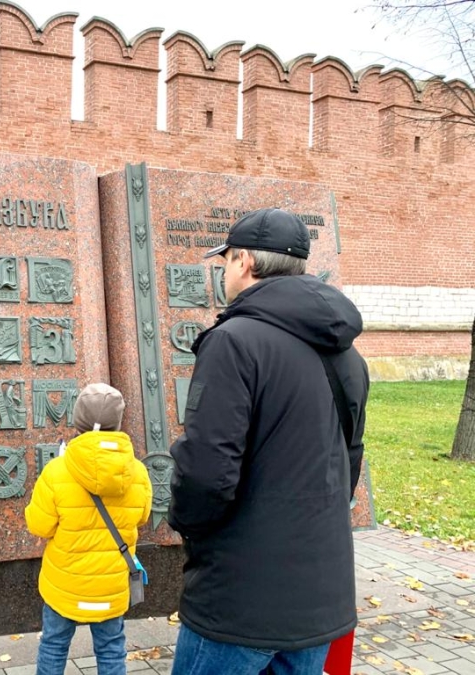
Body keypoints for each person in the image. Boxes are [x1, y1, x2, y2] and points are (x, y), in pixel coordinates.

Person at [167, 208, 369, 675]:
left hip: (240, 602)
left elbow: (206, 472)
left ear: (244, 263)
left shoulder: (233, 342)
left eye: (225, 262)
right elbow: (348, 463)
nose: (223, 273)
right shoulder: (346, 353)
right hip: (320, 598)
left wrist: (188, 527)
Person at [26, 383, 153, 675]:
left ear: (78, 420)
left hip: (64, 586)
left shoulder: (57, 471)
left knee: (54, 646)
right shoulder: (138, 472)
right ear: (118, 421)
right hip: (111, 586)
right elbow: (142, 517)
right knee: (111, 650)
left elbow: (39, 525)